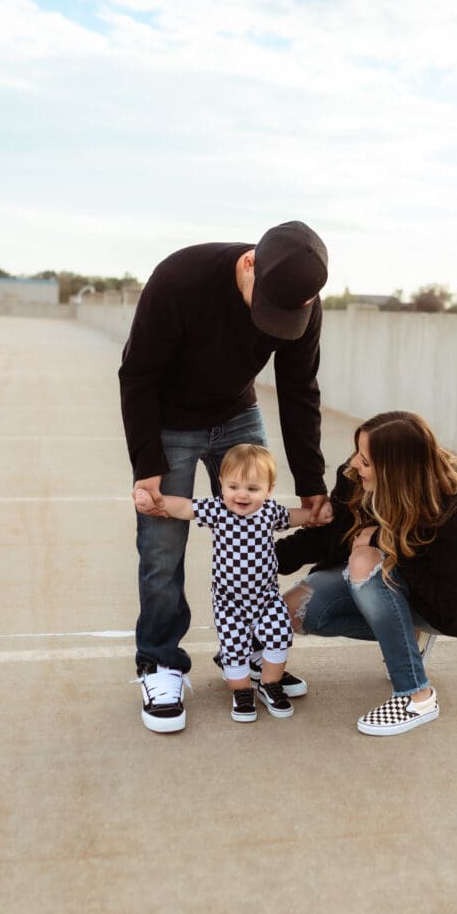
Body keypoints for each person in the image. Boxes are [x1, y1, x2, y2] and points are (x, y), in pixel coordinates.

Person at [119, 221, 329, 733]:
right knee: (163, 546)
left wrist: (310, 481)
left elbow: (299, 388)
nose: (275, 323)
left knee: (253, 536)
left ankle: (252, 653)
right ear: (248, 263)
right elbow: (138, 373)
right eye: (267, 312)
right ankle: (161, 663)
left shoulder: (304, 302)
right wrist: (147, 466)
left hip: (236, 415)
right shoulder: (179, 279)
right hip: (169, 422)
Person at [275, 410, 457, 737]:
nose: (353, 464)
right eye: (357, 453)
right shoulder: (356, 480)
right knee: (293, 612)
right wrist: (259, 561)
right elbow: (328, 538)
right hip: (392, 584)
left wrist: (385, 541)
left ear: (395, 471)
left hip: (448, 603)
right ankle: (407, 640)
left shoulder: (455, 501)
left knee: (364, 561)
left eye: (365, 460)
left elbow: (448, 601)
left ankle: (416, 695)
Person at [135, 444, 333, 724]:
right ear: (221, 486)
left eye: (252, 489)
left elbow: (293, 516)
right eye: (233, 486)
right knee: (234, 648)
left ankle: (269, 684)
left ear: (269, 489)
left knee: (278, 638)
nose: (242, 494)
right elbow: (185, 507)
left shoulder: (269, 512)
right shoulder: (217, 510)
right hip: (230, 603)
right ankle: (241, 693)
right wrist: (159, 502)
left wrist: (316, 516)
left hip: (267, 598)